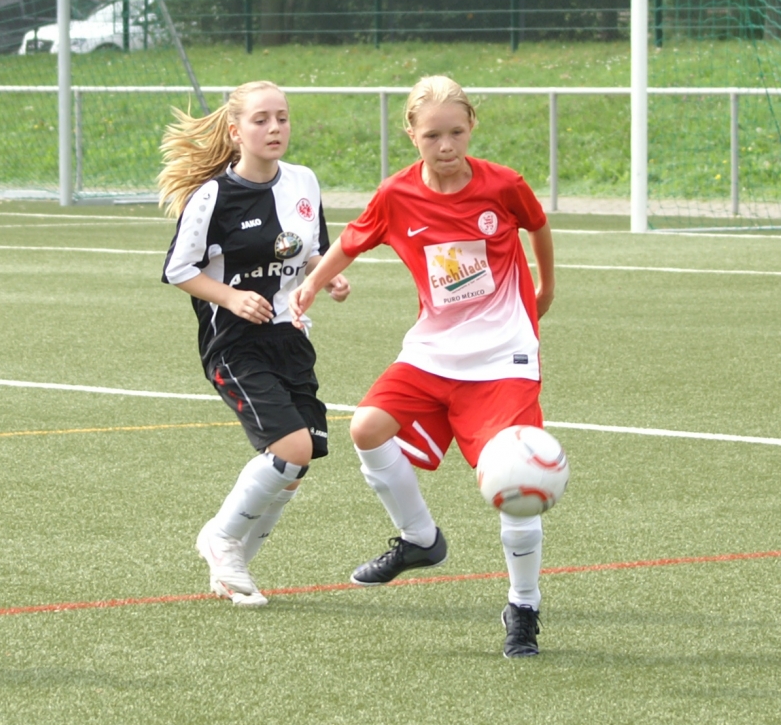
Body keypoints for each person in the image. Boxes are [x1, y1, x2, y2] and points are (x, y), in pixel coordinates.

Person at [290, 75, 555, 656]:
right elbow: (353, 240)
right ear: (411, 133)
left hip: (504, 358)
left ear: (471, 126)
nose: (446, 145)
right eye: (432, 135)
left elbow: (537, 225)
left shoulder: (503, 185)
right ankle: (420, 539)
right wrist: (311, 284)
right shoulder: (397, 194)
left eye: (456, 132)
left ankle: (524, 606)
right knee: (366, 427)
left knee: (517, 483)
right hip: (433, 352)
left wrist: (547, 288)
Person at [158, 80, 350, 607]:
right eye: (261, 119)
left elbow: (312, 252)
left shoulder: (304, 181)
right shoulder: (213, 196)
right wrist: (231, 297)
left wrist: (326, 276)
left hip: (291, 336)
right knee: (291, 449)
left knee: (297, 463)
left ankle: (234, 569)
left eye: (281, 118)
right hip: (235, 343)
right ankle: (220, 539)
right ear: (235, 130)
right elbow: (178, 269)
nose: (274, 128)